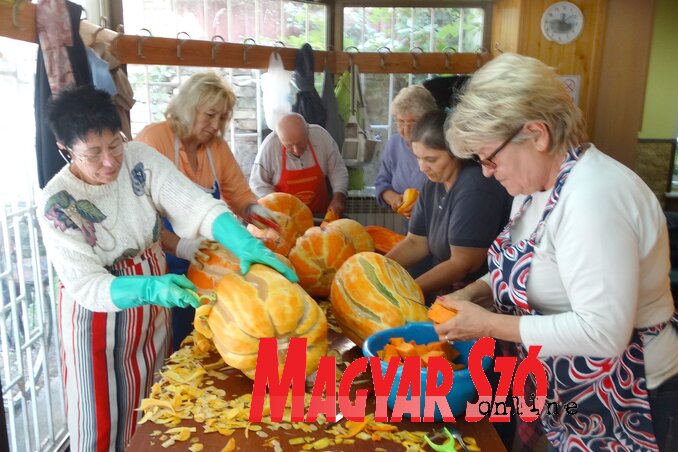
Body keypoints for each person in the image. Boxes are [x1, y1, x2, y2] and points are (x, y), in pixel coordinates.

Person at [435, 53, 678, 451]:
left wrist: (487, 325)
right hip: (567, 386)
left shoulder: (594, 198)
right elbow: (533, 269)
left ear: (537, 134)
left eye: (489, 157)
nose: (486, 171)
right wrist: (475, 293)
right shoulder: (535, 188)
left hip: (625, 392)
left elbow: (602, 332)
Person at [37, 85, 297, 452]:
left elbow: (194, 204)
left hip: (153, 298)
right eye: (93, 154)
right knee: (100, 420)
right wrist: (149, 289)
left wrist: (244, 244)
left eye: (114, 145)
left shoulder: (139, 158)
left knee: (157, 405)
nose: (110, 162)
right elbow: (87, 285)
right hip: (98, 315)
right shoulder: (55, 202)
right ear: (66, 148)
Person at [135, 71, 278, 349]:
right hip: (162, 265)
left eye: (223, 118)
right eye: (210, 115)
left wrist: (259, 213)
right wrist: (181, 246)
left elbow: (238, 194)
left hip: (204, 261)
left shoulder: (217, 148)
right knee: (172, 342)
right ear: (189, 108)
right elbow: (141, 214)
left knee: (208, 337)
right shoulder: (154, 140)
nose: (216, 125)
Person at [385, 110, 511, 300]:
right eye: (417, 157)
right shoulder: (431, 186)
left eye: (431, 159)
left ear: (456, 154)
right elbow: (416, 242)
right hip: (445, 295)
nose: (422, 167)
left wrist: (404, 294)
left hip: (474, 300)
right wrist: (377, 269)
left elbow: (462, 263)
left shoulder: (476, 188)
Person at [249, 112, 349, 217]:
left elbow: (337, 169)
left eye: (301, 143)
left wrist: (339, 196)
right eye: (289, 146)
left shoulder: (321, 137)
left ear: (308, 131)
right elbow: (258, 184)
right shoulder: (269, 147)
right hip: (287, 218)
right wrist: (278, 208)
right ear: (279, 139)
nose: (296, 150)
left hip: (320, 214)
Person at [374, 85, 438, 230]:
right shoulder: (394, 145)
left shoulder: (441, 145)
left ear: (428, 119)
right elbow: (382, 183)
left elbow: (452, 188)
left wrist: (423, 203)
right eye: (400, 121)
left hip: (441, 228)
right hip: (410, 231)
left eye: (412, 122)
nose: (406, 129)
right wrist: (394, 199)